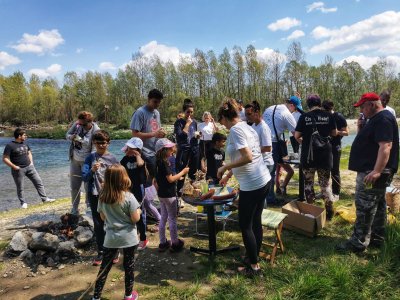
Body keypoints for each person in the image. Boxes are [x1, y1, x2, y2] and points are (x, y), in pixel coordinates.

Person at [336, 93, 399, 253]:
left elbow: (386, 146)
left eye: (363, 107)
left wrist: (377, 171)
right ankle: (377, 238)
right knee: (378, 205)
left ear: (372, 104)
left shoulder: (383, 119)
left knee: (364, 207)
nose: (362, 111)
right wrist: (361, 127)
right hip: (374, 170)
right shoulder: (377, 119)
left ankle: (358, 243)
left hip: (373, 172)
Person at [217, 98, 271, 276]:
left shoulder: (236, 130)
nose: (222, 126)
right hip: (263, 180)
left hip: (253, 184)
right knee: (255, 221)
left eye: (222, 121)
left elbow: (248, 157)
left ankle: (254, 268)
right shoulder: (248, 127)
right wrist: (228, 175)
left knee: (245, 225)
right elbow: (250, 156)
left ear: (226, 117)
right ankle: (252, 256)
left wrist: (225, 166)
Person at [92, 164, 141, 300]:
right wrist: (139, 211)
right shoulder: (129, 197)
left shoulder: (102, 197)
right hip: (128, 238)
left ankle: (96, 297)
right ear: (124, 178)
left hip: (110, 238)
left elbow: (102, 217)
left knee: (104, 269)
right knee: (129, 267)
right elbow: (135, 219)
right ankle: (128, 295)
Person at [294, 94, 337, 220]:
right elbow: (334, 133)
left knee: (308, 184)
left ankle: (311, 212)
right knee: (325, 184)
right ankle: (329, 212)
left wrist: (306, 143)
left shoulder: (304, 117)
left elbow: (297, 136)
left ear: (308, 104)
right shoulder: (329, 115)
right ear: (320, 103)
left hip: (309, 156)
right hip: (325, 156)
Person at [82, 130, 119, 266]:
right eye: (98, 143)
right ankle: (102, 251)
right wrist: (92, 170)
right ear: (94, 143)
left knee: (112, 222)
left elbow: (120, 177)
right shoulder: (90, 158)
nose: (101, 146)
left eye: (104, 143)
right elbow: (84, 178)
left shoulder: (113, 159)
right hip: (95, 195)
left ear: (108, 143)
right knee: (98, 224)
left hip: (110, 195)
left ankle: (114, 250)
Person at [130, 89, 165, 229]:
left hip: (155, 152)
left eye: (159, 102)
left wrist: (161, 135)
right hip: (144, 152)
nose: (157, 105)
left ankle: (153, 209)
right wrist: (154, 134)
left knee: (155, 181)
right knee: (146, 184)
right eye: (155, 102)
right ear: (148, 99)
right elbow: (134, 134)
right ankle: (147, 210)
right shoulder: (140, 113)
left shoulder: (156, 113)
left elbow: (156, 130)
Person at [2, 128, 55, 209]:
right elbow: (5, 159)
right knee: (20, 187)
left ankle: (44, 199)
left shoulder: (24, 144)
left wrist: (31, 163)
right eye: (24, 135)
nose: (26, 136)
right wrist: (14, 166)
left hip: (30, 167)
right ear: (19, 136)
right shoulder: (10, 146)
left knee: (38, 182)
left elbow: (29, 152)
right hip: (18, 170)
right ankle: (23, 203)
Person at [155, 138, 189, 252]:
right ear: (164, 150)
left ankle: (162, 243)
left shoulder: (157, 162)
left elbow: (156, 180)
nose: (172, 150)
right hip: (169, 195)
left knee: (163, 218)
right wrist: (182, 173)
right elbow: (170, 179)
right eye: (170, 149)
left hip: (161, 194)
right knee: (172, 219)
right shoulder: (165, 162)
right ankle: (175, 243)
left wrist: (178, 176)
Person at [66, 111, 100, 215]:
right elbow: (67, 135)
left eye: (83, 124)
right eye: (80, 123)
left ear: (90, 122)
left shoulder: (96, 130)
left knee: (88, 186)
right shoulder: (77, 125)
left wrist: (92, 164)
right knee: (74, 186)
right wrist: (71, 137)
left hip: (87, 161)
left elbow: (95, 150)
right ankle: (74, 208)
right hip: (74, 160)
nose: (81, 126)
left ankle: (89, 207)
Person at [263, 101, 297, 204]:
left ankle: (270, 195)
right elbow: (296, 134)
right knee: (271, 171)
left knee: (268, 170)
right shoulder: (286, 114)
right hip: (274, 144)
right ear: (291, 106)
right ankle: (270, 199)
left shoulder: (269, 108)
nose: (293, 112)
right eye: (294, 109)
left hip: (263, 142)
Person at [120, 138, 149, 251]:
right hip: (128, 188)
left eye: (132, 148)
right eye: (129, 147)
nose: (130, 149)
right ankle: (133, 235)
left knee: (139, 212)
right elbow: (120, 169)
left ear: (137, 149)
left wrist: (137, 154)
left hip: (139, 188)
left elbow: (141, 164)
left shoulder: (141, 158)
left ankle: (143, 238)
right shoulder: (125, 158)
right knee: (128, 212)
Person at [322, 100, 349, 201]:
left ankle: (336, 192)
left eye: (326, 110)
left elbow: (347, 132)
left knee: (335, 171)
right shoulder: (323, 117)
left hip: (335, 146)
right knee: (325, 170)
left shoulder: (338, 116)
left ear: (331, 108)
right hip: (324, 146)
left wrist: (336, 132)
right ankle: (326, 191)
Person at [174, 99, 200, 195]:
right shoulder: (179, 122)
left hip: (194, 149)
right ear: (184, 111)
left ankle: (192, 193)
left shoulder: (195, 122)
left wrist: (198, 136)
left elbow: (194, 135)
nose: (189, 114)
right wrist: (187, 124)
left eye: (191, 112)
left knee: (193, 172)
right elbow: (180, 136)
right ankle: (179, 195)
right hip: (183, 150)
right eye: (188, 112)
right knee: (181, 172)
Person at [244, 101, 274, 175]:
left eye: (249, 114)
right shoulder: (253, 125)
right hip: (257, 163)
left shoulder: (263, 128)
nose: (247, 117)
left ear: (257, 112)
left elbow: (268, 148)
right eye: (246, 114)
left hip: (266, 164)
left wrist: (251, 152)